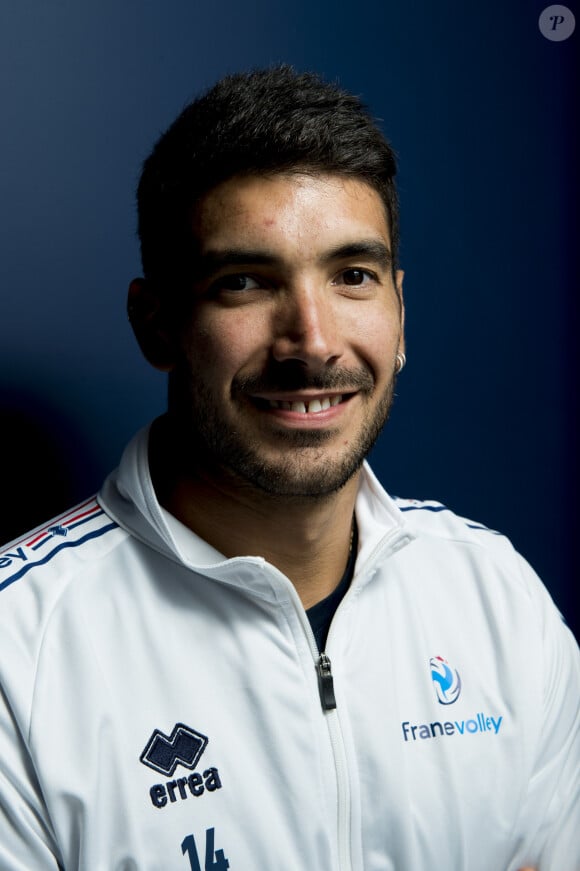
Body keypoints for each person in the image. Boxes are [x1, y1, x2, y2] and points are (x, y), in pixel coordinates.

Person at [0, 66, 577, 871]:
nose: (311, 341)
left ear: (399, 313)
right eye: (245, 281)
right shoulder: (17, 651)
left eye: (352, 276)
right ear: (157, 324)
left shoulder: (496, 598)